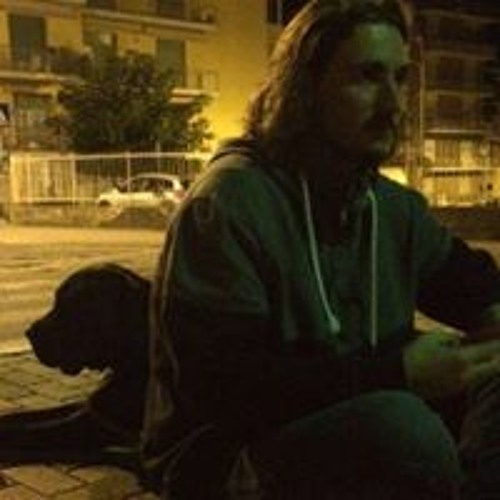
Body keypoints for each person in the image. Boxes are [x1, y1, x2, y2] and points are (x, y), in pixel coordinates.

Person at [141, 1, 500, 498]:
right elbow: (224, 390)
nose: (393, 104)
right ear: (305, 88)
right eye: (367, 76)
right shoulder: (229, 203)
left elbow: (468, 283)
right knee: (403, 432)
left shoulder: (390, 205)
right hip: (228, 454)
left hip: (358, 412)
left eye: (400, 78)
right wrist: (398, 372)